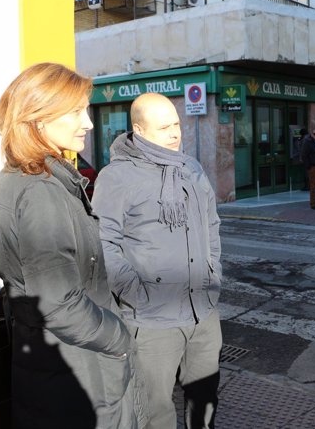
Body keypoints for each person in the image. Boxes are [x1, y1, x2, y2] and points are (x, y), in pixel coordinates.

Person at [0, 63, 149, 428]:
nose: (88, 122)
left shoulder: (18, 179)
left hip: (62, 369)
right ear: (38, 119)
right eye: (76, 111)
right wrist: (119, 336)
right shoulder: (40, 191)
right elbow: (59, 304)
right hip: (83, 375)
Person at [92, 92, 222, 429]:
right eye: (164, 127)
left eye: (176, 124)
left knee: (205, 405)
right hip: (151, 321)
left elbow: (212, 223)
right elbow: (104, 242)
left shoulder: (190, 168)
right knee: (155, 414)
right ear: (139, 130)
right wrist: (136, 295)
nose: (175, 133)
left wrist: (212, 274)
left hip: (202, 312)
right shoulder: (116, 177)